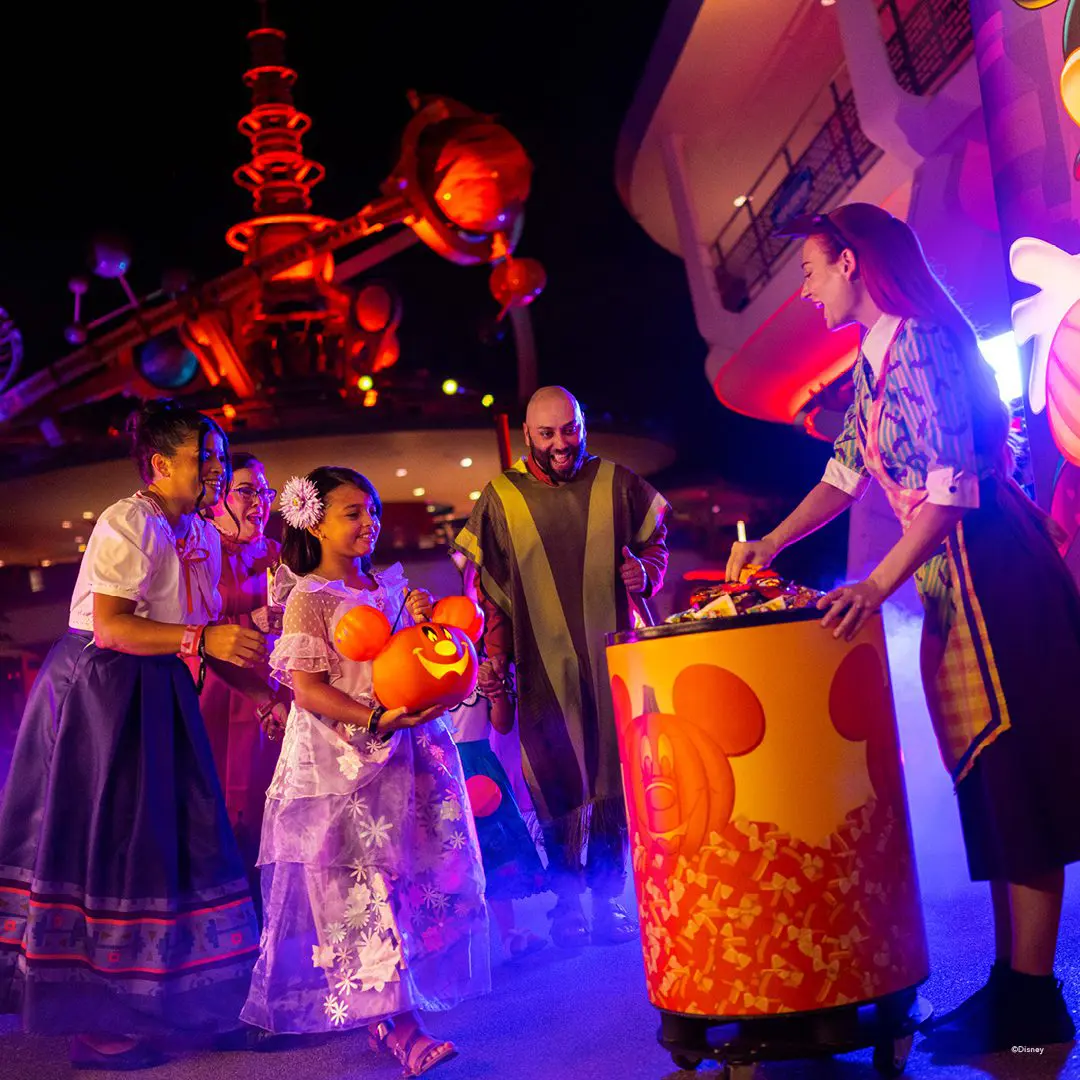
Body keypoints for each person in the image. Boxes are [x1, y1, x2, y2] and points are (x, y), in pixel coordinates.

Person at [726, 202, 1080, 1054]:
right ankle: (1013, 985)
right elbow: (845, 472)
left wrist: (875, 585)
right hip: (960, 579)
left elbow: (955, 484)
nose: (806, 291)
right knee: (989, 780)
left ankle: (1034, 1004)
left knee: (1014, 776)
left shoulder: (919, 340)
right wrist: (772, 539)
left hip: (993, 571)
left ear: (852, 262)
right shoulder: (877, 355)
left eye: (811, 271)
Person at [0, 399, 266, 1070]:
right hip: (101, 693)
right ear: (158, 465)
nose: (216, 471)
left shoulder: (199, 533)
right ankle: (100, 1024)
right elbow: (115, 626)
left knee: (185, 845)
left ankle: (198, 1006)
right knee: (115, 851)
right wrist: (202, 637)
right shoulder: (129, 520)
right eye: (203, 461)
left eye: (220, 458)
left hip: (160, 691)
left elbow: (206, 643)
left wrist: (269, 700)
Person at [241, 467, 489, 1077]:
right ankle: (397, 1022)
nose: (368, 522)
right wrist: (374, 718)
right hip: (339, 761)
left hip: (405, 751)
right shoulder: (307, 598)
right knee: (358, 890)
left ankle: (395, 1009)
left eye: (372, 510)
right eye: (352, 512)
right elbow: (306, 690)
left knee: (411, 876)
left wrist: (428, 629)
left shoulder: (388, 586)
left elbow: (410, 664)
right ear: (316, 522)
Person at [453, 386, 670, 948]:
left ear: (583, 425)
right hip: (541, 667)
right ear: (527, 435)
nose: (559, 443)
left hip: (613, 660)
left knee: (614, 778)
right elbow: (489, 594)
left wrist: (646, 572)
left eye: (568, 429)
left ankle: (608, 901)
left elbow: (657, 542)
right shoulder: (501, 497)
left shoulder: (617, 482)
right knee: (553, 778)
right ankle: (567, 906)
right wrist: (494, 657)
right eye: (546, 433)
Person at [447, 552, 548, 960]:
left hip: (482, 767)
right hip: (445, 767)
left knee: (494, 849)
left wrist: (497, 691)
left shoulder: (489, 663)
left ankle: (509, 934)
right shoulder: (436, 651)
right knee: (452, 856)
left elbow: (502, 724)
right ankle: (456, 946)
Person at [202, 451, 289, 896]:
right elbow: (189, 625)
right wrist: (247, 622)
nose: (260, 501)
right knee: (218, 809)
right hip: (215, 690)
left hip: (268, 688)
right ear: (217, 497)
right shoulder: (197, 549)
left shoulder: (275, 554)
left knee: (266, 802)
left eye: (264, 491)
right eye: (247, 491)